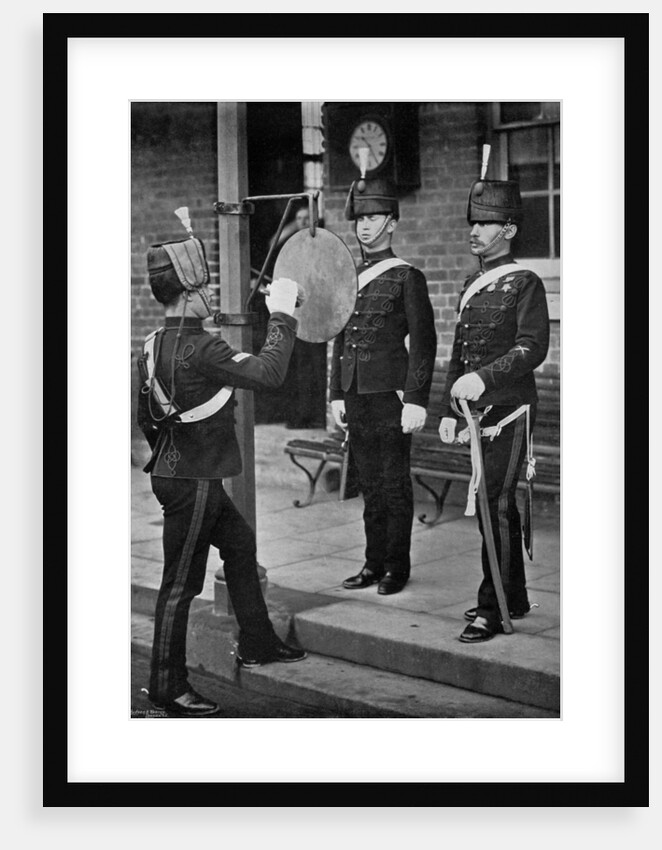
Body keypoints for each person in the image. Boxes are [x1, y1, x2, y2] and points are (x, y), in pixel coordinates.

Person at [137, 232, 307, 717]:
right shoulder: (204, 348)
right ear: (189, 293)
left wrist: (178, 456)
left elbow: (146, 419)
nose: (212, 296)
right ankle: (167, 687)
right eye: (205, 289)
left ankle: (257, 642)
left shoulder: (151, 345)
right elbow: (270, 373)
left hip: (182, 474)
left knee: (239, 545)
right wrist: (283, 315)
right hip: (193, 481)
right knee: (180, 586)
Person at [438, 177, 550, 643]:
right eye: (473, 222)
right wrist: (449, 405)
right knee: (494, 507)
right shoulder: (471, 284)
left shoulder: (526, 282)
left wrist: (484, 379)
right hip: (475, 413)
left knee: (496, 507)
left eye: (485, 224)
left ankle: (493, 607)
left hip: (509, 411)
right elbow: (459, 353)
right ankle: (515, 596)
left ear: (508, 229)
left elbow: (532, 348)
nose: (475, 231)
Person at [330, 177, 437, 595]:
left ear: (391, 223)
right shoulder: (350, 275)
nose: (364, 226)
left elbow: (424, 342)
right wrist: (337, 392)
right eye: (359, 218)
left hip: (390, 397)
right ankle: (373, 563)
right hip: (356, 396)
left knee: (393, 485)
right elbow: (339, 336)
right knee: (369, 485)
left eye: (373, 217)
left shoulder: (408, 277)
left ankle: (397, 567)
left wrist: (416, 400)